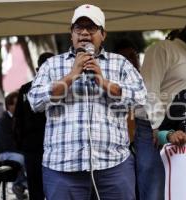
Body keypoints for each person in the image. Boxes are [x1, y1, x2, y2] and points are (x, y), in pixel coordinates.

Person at [28, 4, 146, 200]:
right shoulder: (51, 65)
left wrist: (104, 82)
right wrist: (71, 76)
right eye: (78, 28)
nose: (84, 33)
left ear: (103, 34)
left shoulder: (121, 63)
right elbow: (35, 101)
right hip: (62, 168)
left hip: (113, 166)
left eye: (91, 28)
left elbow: (141, 98)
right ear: (71, 34)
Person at [134, 18, 186, 200]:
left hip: (183, 130)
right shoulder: (163, 49)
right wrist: (157, 126)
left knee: (182, 187)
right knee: (155, 187)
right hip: (154, 127)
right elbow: (149, 88)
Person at [14, 52, 54, 200]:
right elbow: (18, 119)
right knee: (42, 188)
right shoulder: (27, 89)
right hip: (36, 147)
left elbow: (18, 119)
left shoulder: (61, 89)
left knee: (39, 188)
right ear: (38, 70)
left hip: (44, 147)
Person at [0, 91, 28, 200]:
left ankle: (20, 185)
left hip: (17, 151)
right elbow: (6, 144)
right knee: (21, 158)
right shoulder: (2, 121)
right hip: (4, 154)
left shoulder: (21, 119)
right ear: (9, 106)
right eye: (17, 103)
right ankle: (20, 184)